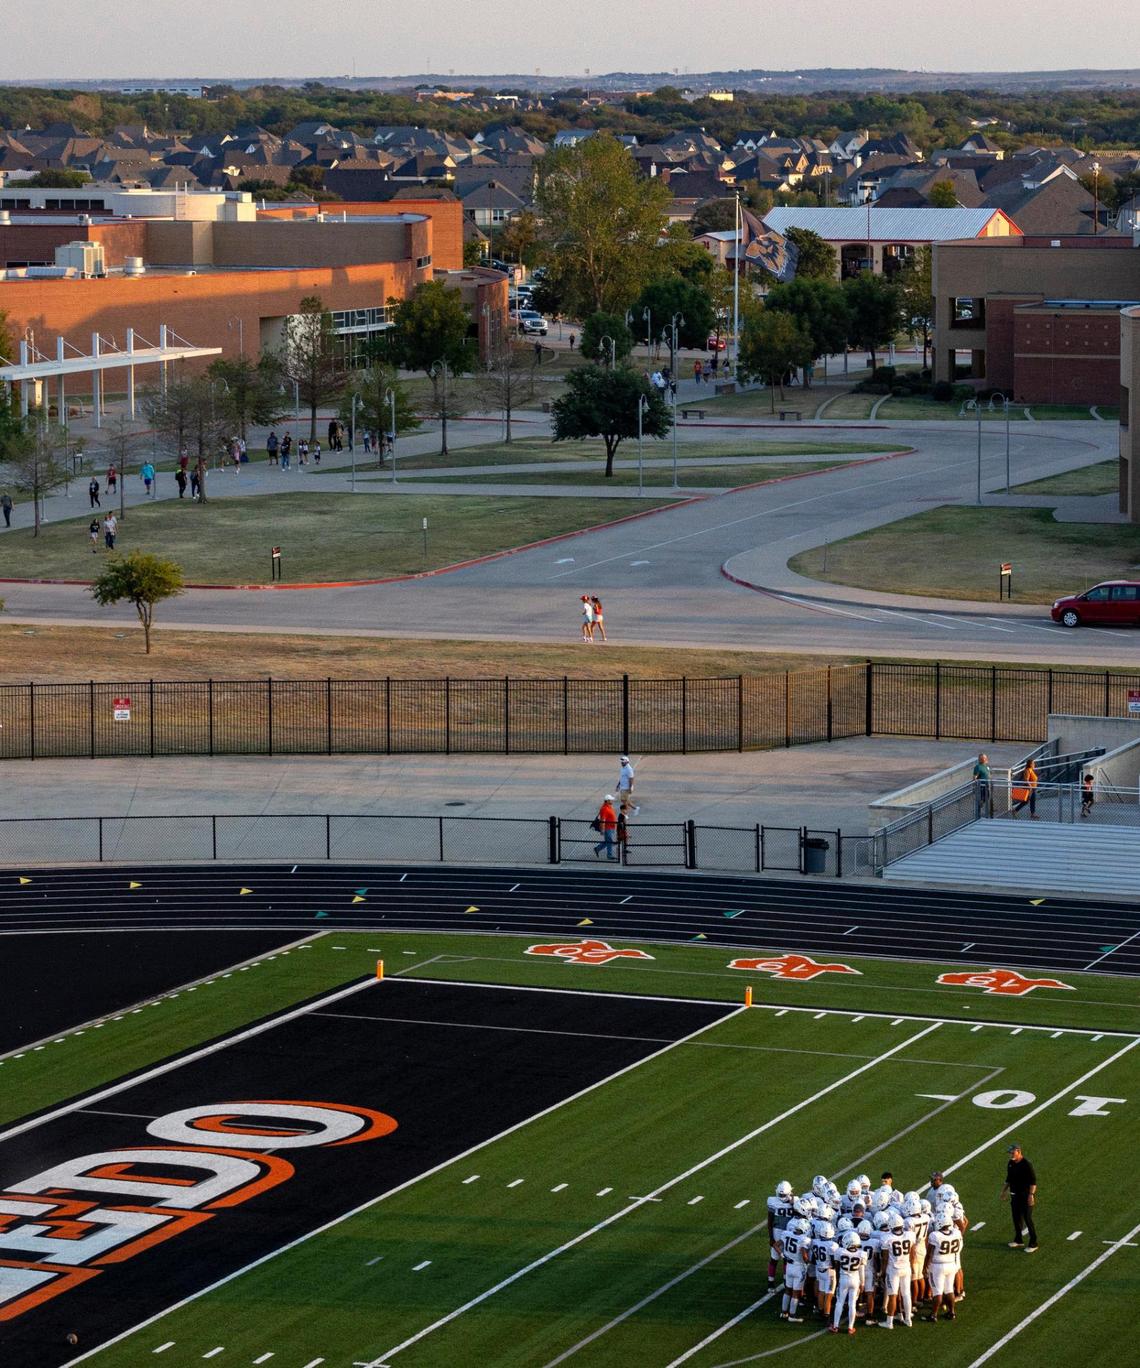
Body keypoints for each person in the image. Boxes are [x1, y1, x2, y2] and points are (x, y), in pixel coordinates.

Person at [924, 1214, 962, 1321]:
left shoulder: (935, 1236)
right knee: (949, 1289)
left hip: (938, 1266)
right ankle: (952, 1312)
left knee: (937, 1292)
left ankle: (933, 1315)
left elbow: (929, 1253)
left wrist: (925, 1266)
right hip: (951, 1264)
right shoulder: (956, 1232)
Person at [1002, 1143, 1038, 1252]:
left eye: (1013, 1153)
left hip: (1025, 1196)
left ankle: (1033, 1242)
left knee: (1027, 1218)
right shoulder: (1011, 1163)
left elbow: (1033, 1182)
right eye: (1010, 1153)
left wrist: (1031, 1195)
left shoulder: (1026, 1164)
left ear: (1019, 1151)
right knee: (1016, 1218)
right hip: (1014, 1195)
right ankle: (1018, 1240)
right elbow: (1009, 1178)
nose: (1011, 1155)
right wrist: (1003, 1191)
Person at [592, 794, 617, 860]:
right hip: (607, 828)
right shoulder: (605, 809)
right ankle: (609, 855)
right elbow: (603, 820)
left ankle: (597, 849)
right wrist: (602, 829)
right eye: (611, 800)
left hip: (611, 827)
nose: (612, 800)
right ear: (608, 801)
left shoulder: (609, 807)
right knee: (609, 841)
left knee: (607, 841)